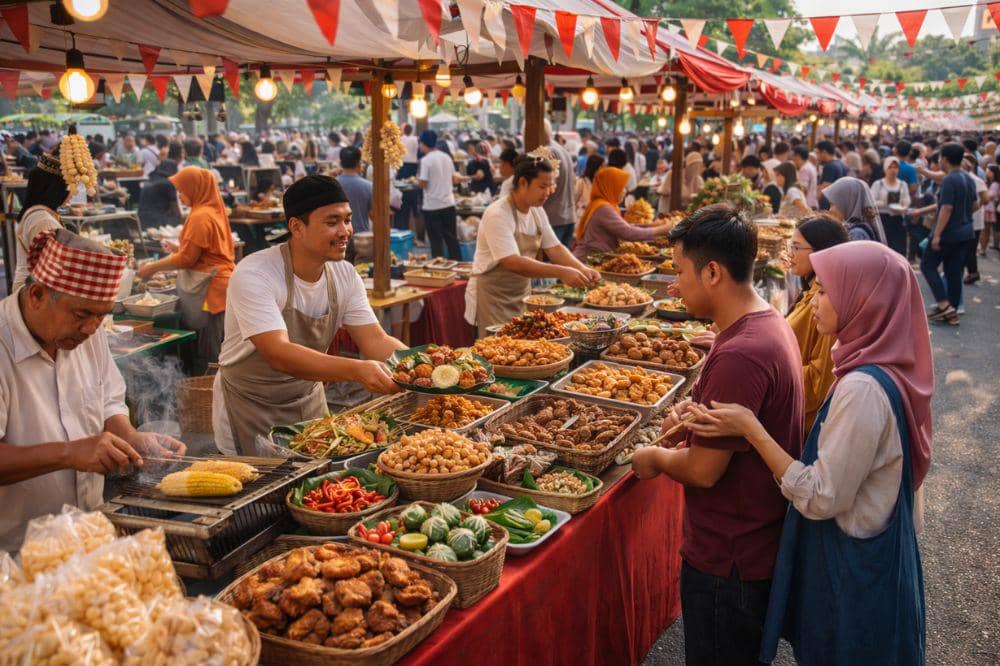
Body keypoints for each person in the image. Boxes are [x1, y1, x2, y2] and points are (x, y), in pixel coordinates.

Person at [689, 241, 929, 666]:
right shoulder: (886, 365)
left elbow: (820, 497)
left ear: (864, 301)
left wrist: (752, 428)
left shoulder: (863, 390)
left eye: (825, 291)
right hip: (875, 561)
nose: (813, 300)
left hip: (853, 573)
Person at [630, 203, 804, 666]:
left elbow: (705, 471)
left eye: (680, 271)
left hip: (731, 560)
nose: (674, 285)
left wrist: (655, 458)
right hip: (749, 547)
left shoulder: (741, 352)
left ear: (711, 273)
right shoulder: (763, 323)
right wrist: (690, 419)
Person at [0, 229, 185, 551]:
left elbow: (109, 399)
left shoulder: (89, 331)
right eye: (82, 314)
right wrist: (69, 453)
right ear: (37, 295)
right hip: (16, 547)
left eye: (102, 316)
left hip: (88, 528)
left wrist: (131, 437)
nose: (91, 328)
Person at [212, 175, 406, 454]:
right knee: (261, 492)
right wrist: (356, 370)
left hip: (308, 399)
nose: (345, 231)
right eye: (331, 222)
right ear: (296, 227)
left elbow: (374, 340)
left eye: (347, 219)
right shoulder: (256, 273)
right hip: (250, 406)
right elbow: (277, 354)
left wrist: (421, 366)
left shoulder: (344, 274)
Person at [464, 155, 600, 338]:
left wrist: (582, 269)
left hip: (521, 295)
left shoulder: (536, 211)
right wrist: (561, 272)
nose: (548, 192)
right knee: (496, 352)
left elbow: (554, 248)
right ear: (522, 182)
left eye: (550, 186)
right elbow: (512, 262)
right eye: (542, 186)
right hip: (492, 298)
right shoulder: (498, 213)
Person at [786, 216, 850, 431]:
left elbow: (818, 382)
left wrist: (767, 371)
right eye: (790, 246)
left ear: (821, 252)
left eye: (796, 247)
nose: (789, 254)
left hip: (801, 425)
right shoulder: (812, 293)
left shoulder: (829, 305)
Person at [914, 142, 978, 326]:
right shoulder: (968, 178)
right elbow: (975, 205)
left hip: (948, 233)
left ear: (946, 160)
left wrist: (937, 234)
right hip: (966, 232)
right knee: (954, 271)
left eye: (940, 157)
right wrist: (963, 217)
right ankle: (952, 310)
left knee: (927, 265)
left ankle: (944, 304)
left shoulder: (950, 179)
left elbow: (946, 208)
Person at [573, 167, 673, 260]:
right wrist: (661, 230)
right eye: (622, 187)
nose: (625, 191)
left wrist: (650, 225)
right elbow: (628, 233)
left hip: (596, 258)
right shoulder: (603, 208)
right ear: (611, 187)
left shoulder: (604, 204)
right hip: (588, 260)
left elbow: (623, 227)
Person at [12, 151, 72, 292]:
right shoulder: (42, 219)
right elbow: (55, 264)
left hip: (34, 289)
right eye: (70, 186)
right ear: (57, 188)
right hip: (33, 293)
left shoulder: (40, 213)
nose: (72, 193)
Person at [417, 130, 467, 260]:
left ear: (423, 143)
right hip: (448, 204)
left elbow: (423, 182)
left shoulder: (426, 160)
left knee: (436, 242)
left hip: (432, 207)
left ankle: (439, 270)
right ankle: (458, 267)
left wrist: (417, 181)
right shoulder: (446, 157)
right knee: (452, 239)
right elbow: (453, 179)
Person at [541, 121, 578, 247]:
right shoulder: (561, 149)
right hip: (568, 216)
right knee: (562, 264)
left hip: (553, 219)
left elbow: (547, 187)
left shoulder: (546, 152)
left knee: (548, 265)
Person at [822, 177, 886, 243]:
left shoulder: (856, 235)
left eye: (833, 204)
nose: (830, 210)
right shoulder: (852, 229)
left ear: (847, 203)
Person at [872, 157, 912, 255]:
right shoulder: (878, 184)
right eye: (890, 167)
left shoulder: (903, 185)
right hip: (882, 220)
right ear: (885, 168)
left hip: (897, 219)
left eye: (895, 167)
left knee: (898, 249)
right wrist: (884, 203)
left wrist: (903, 205)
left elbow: (907, 201)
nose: (893, 170)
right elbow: (871, 202)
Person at [334, 146, 372, 234]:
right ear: (359, 164)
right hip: (361, 237)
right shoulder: (368, 186)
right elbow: (374, 215)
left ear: (340, 163)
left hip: (338, 235)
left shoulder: (333, 185)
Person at [137, 158, 182, 231]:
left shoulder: (150, 179)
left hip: (142, 220)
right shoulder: (169, 183)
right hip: (157, 221)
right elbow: (175, 209)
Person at [573, 154, 605, 223]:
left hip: (597, 217)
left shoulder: (602, 183)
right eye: (602, 166)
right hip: (582, 217)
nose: (604, 169)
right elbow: (574, 201)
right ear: (597, 167)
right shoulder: (581, 182)